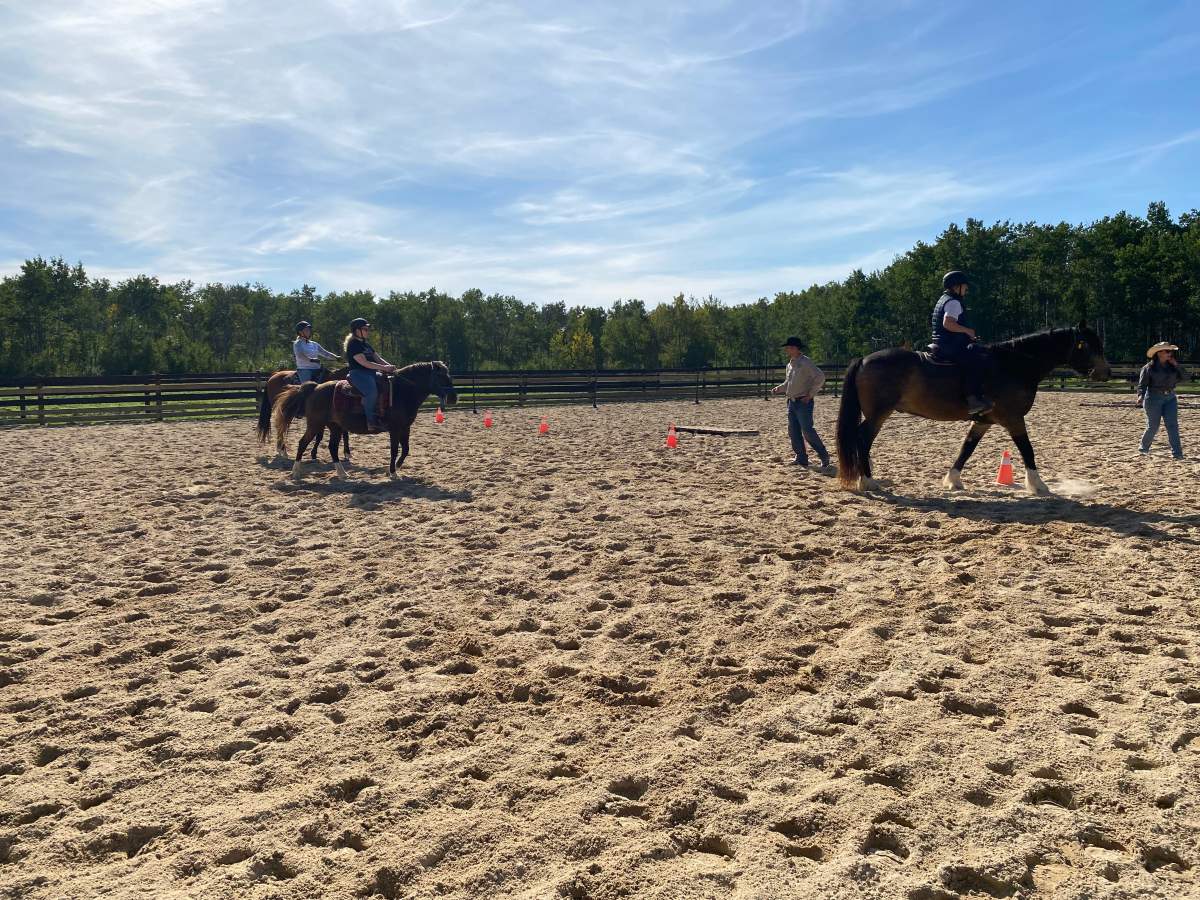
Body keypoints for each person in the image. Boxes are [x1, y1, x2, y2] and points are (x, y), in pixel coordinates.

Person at [931, 271, 993, 416]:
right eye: (964, 287)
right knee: (976, 359)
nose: (966, 290)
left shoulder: (944, 299)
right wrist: (968, 331)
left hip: (942, 342)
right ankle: (973, 400)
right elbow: (948, 324)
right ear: (956, 287)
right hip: (949, 345)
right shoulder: (953, 302)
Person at [771, 336, 830, 468]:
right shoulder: (789, 364)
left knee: (807, 431)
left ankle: (823, 455)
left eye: (791, 347)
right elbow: (789, 382)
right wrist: (779, 388)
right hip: (791, 402)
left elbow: (820, 377)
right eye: (788, 347)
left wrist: (810, 395)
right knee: (793, 431)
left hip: (803, 402)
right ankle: (801, 457)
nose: (788, 349)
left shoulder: (806, 362)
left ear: (797, 349)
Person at [344, 318, 396, 432]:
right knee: (371, 392)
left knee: (389, 383)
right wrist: (383, 368)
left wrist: (390, 367)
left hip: (371, 372)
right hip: (358, 373)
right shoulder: (353, 344)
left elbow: (377, 358)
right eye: (365, 329)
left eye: (368, 329)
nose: (368, 331)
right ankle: (371, 421)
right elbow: (364, 362)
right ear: (357, 330)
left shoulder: (365, 344)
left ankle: (384, 412)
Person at [1137, 342, 1187, 459]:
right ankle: (1144, 447)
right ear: (1159, 353)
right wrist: (1140, 396)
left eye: (1170, 351)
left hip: (1170, 398)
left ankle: (1177, 453)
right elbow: (1142, 385)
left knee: (1172, 425)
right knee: (1153, 426)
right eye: (1167, 351)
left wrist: (1177, 365)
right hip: (1153, 398)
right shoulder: (1148, 368)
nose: (1170, 353)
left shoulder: (1173, 366)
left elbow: (1186, 378)